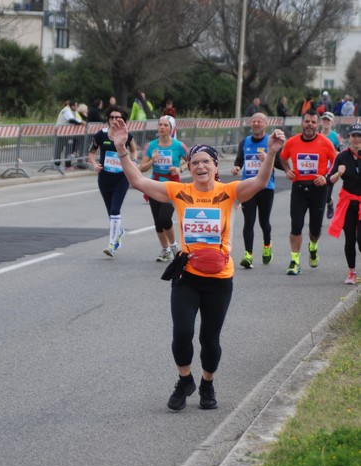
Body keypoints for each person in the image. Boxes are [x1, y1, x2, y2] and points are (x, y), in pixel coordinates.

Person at [110, 116, 285, 411]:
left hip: (219, 278)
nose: (200, 167)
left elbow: (259, 181)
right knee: (181, 333)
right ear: (189, 168)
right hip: (187, 275)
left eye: (206, 162)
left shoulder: (229, 192)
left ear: (217, 167)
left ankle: (207, 383)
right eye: (195, 163)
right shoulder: (179, 191)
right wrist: (121, 148)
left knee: (210, 338)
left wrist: (272, 153)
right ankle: (185, 379)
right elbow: (137, 180)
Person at [279, 109, 337, 275]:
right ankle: (295, 261)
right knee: (296, 226)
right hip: (298, 189)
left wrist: (326, 177)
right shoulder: (292, 142)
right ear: (302, 123)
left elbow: (336, 163)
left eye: (313, 122)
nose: (309, 125)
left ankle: (313, 247)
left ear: (317, 124)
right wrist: (287, 170)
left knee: (315, 229)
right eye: (307, 121)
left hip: (319, 190)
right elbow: (283, 157)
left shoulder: (326, 143)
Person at [88, 105, 137, 257]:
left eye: (118, 117)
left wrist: (133, 161)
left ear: (123, 120)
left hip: (121, 178)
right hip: (104, 178)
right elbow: (91, 152)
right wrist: (95, 164)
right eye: (112, 117)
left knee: (115, 211)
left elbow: (134, 150)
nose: (115, 120)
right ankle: (119, 231)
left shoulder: (127, 136)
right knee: (111, 212)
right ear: (108, 119)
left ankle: (111, 244)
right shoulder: (100, 135)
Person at [139, 115, 188, 261]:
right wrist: (152, 161)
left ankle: (174, 246)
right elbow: (142, 168)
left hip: (172, 185)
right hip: (155, 184)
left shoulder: (179, 146)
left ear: (171, 128)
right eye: (160, 125)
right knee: (158, 222)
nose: (162, 128)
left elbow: (191, 162)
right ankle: (165, 250)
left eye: (166, 125)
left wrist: (180, 169)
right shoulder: (151, 145)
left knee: (165, 218)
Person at [231, 113, 275, 269]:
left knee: (264, 222)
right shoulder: (245, 141)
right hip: (248, 186)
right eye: (254, 121)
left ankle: (267, 245)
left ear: (265, 123)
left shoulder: (270, 141)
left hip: (266, 187)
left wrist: (268, 159)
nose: (256, 123)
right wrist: (236, 167)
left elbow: (279, 163)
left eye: (259, 121)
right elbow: (239, 160)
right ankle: (248, 255)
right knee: (248, 221)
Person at [326, 123, 361, 285]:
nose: (357, 139)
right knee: (350, 239)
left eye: (359, 136)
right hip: (348, 202)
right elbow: (329, 179)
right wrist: (338, 174)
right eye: (354, 136)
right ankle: (352, 272)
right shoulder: (342, 157)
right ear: (349, 138)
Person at [320, 111, 341, 219]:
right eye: (324, 119)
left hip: (331, 169)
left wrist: (335, 154)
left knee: (326, 195)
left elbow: (340, 152)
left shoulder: (335, 136)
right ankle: (317, 218)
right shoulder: (317, 135)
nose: (326, 122)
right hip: (319, 169)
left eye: (328, 120)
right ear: (321, 121)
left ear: (332, 122)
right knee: (319, 195)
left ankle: (330, 203)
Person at [55, 100, 83, 169]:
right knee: (64, 149)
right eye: (76, 106)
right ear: (72, 106)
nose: (77, 107)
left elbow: (75, 119)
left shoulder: (71, 111)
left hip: (65, 132)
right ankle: (64, 165)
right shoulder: (66, 110)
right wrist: (81, 123)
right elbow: (71, 120)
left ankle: (60, 164)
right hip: (63, 133)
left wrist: (81, 121)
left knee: (64, 149)